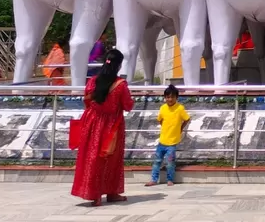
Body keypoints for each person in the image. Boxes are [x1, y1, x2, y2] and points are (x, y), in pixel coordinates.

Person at [70, 48, 133, 206]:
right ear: (118, 66)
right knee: (111, 159)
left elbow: (87, 100)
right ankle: (112, 192)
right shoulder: (120, 85)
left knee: (92, 157)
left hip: (92, 122)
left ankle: (94, 194)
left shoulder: (93, 81)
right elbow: (128, 105)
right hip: (112, 126)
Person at [147, 84, 189, 187]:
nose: (170, 99)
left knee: (170, 162)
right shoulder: (163, 108)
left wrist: (180, 129)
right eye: (168, 97)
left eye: (172, 97)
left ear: (176, 97)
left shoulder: (180, 108)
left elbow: (187, 119)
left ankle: (170, 179)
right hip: (162, 140)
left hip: (172, 142)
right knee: (157, 161)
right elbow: (160, 120)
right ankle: (153, 179)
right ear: (165, 98)